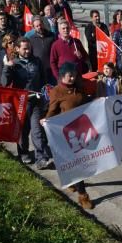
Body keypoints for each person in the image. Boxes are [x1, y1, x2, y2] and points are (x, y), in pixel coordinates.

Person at [45, 63, 94, 209]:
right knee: (78, 164)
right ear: (62, 76)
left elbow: (85, 103)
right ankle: (83, 195)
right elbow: (52, 111)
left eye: (74, 75)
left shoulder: (79, 88)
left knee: (80, 162)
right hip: (66, 133)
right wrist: (46, 121)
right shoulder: (57, 91)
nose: (72, 78)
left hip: (81, 130)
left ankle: (72, 182)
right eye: (69, 75)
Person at [2, 37, 53, 169]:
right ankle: (23, 153)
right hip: (21, 102)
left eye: (29, 48)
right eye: (24, 48)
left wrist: (44, 97)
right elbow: (4, 83)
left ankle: (41, 159)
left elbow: (43, 80)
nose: (27, 51)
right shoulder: (14, 63)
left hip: (36, 101)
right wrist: (7, 68)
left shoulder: (37, 61)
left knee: (37, 131)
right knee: (23, 131)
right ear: (17, 49)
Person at [26, 16, 56, 85]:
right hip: (38, 71)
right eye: (37, 26)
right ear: (33, 27)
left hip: (51, 70)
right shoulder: (31, 39)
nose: (39, 27)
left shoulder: (51, 36)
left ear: (43, 24)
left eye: (40, 25)